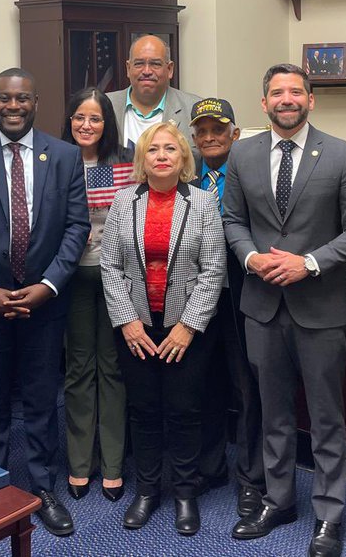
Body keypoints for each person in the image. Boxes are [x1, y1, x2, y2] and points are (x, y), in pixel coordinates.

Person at [223, 63, 346, 557]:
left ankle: (329, 516)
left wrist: (309, 263)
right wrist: (251, 257)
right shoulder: (242, 153)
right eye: (276, 93)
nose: (286, 99)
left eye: (295, 92)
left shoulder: (342, 154)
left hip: (321, 307)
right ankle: (279, 499)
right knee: (273, 412)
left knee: (328, 417)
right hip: (262, 306)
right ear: (263, 103)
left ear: (311, 100)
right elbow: (232, 220)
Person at [0, 68, 90, 536]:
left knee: (44, 401)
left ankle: (43, 488)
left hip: (44, 304)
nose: (12, 105)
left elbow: (76, 228)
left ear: (36, 101)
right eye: (3, 98)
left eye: (21, 98)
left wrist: (48, 286)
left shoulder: (64, 156)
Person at [101, 122, 226, 537]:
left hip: (185, 326)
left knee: (185, 411)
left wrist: (188, 327)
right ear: (142, 158)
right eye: (153, 149)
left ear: (183, 157)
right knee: (144, 411)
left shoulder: (204, 203)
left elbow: (213, 271)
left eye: (170, 148)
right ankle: (148, 490)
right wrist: (128, 322)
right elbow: (110, 266)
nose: (161, 156)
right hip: (137, 325)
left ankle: (186, 493)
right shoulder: (124, 201)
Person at [191, 98, 266, 517]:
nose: (210, 137)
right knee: (204, 382)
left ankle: (252, 478)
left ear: (235, 134)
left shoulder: (250, 176)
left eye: (218, 129)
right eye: (201, 131)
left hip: (241, 294)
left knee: (246, 386)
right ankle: (209, 465)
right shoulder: (187, 178)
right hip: (196, 298)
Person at [61, 87, 129, 503]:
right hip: (71, 280)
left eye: (96, 118)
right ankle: (80, 462)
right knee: (78, 368)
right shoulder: (54, 160)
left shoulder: (123, 161)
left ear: (107, 123)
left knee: (113, 368)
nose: (87, 125)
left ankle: (115, 464)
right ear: (69, 120)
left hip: (116, 279)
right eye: (79, 117)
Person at [107, 34, 202, 151]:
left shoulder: (195, 109)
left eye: (155, 64)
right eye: (139, 63)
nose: (147, 71)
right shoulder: (105, 105)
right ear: (128, 68)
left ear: (170, 69)